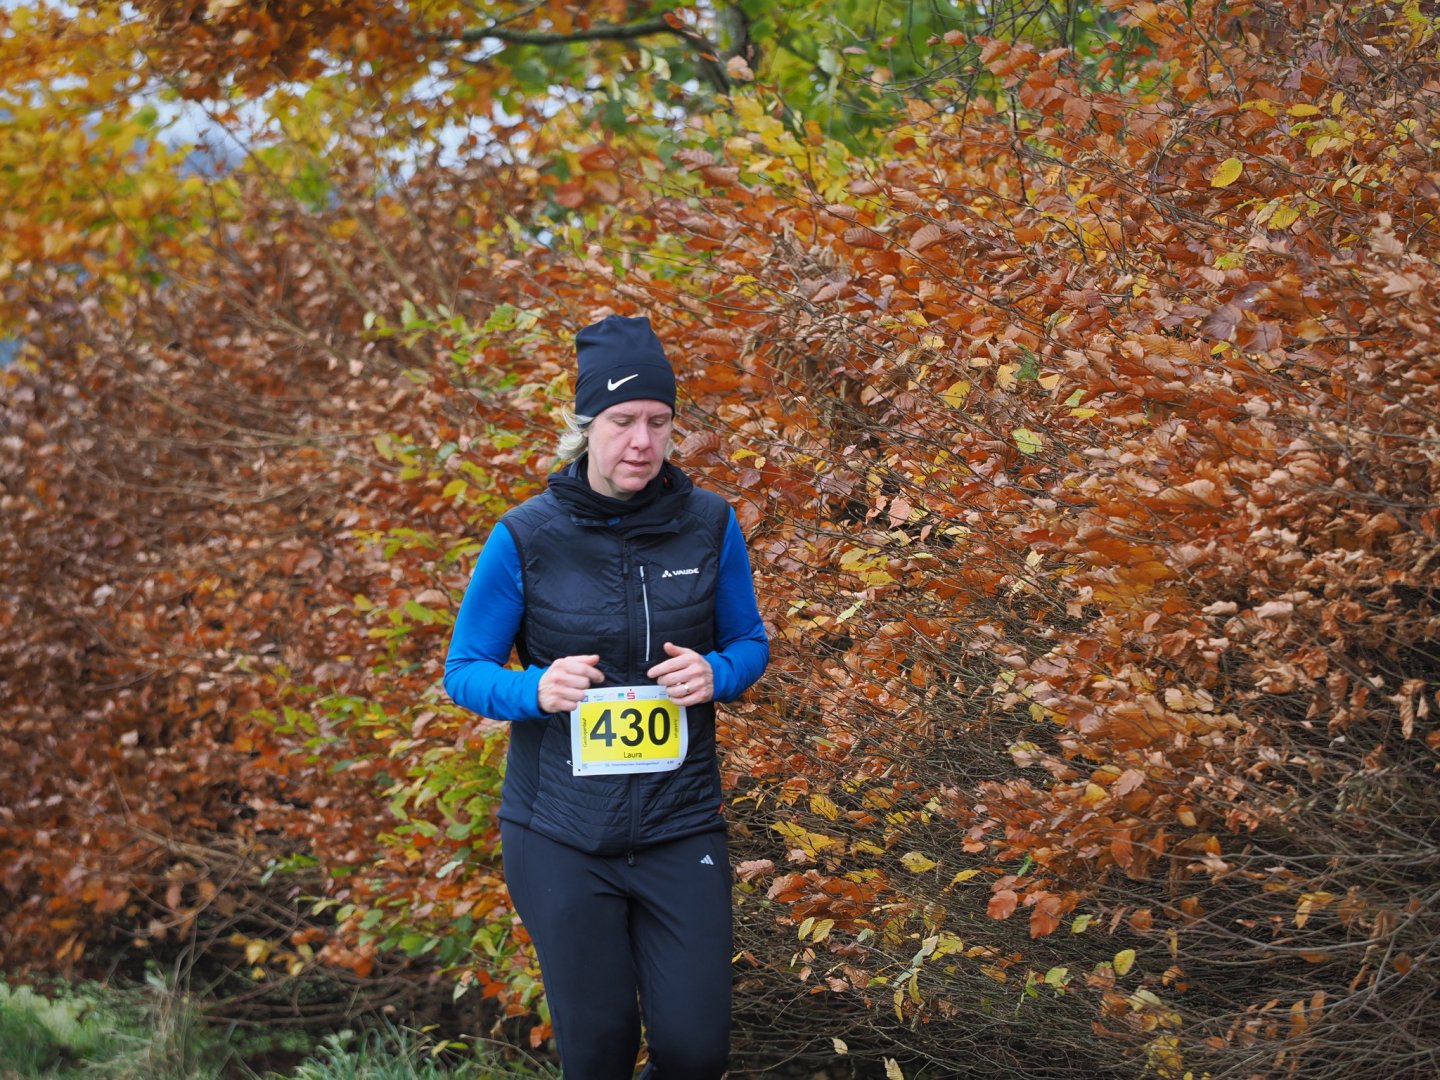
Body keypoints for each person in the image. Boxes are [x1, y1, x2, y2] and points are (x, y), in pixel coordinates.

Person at [443, 314, 770, 1079]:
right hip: (559, 833)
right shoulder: (525, 536)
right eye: (623, 421)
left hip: (680, 825)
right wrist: (534, 687)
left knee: (695, 1052)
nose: (642, 442)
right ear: (586, 425)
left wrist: (718, 674)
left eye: (659, 422)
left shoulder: (710, 525)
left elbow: (750, 643)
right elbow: (465, 670)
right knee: (600, 1051)